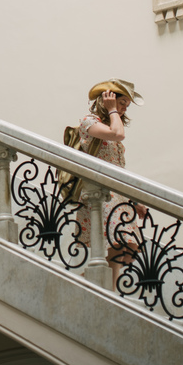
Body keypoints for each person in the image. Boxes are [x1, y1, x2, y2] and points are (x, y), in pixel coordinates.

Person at [73, 78, 144, 285]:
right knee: (120, 239)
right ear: (107, 98)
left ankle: (97, 282)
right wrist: (112, 110)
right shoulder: (89, 122)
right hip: (100, 192)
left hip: (118, 193)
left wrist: (135, 200)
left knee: (128, 245)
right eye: (121, 102)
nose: (123, 109)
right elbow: (117, 134)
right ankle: (108, 285)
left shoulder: (112, 123)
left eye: (125, 105)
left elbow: (119, 170)